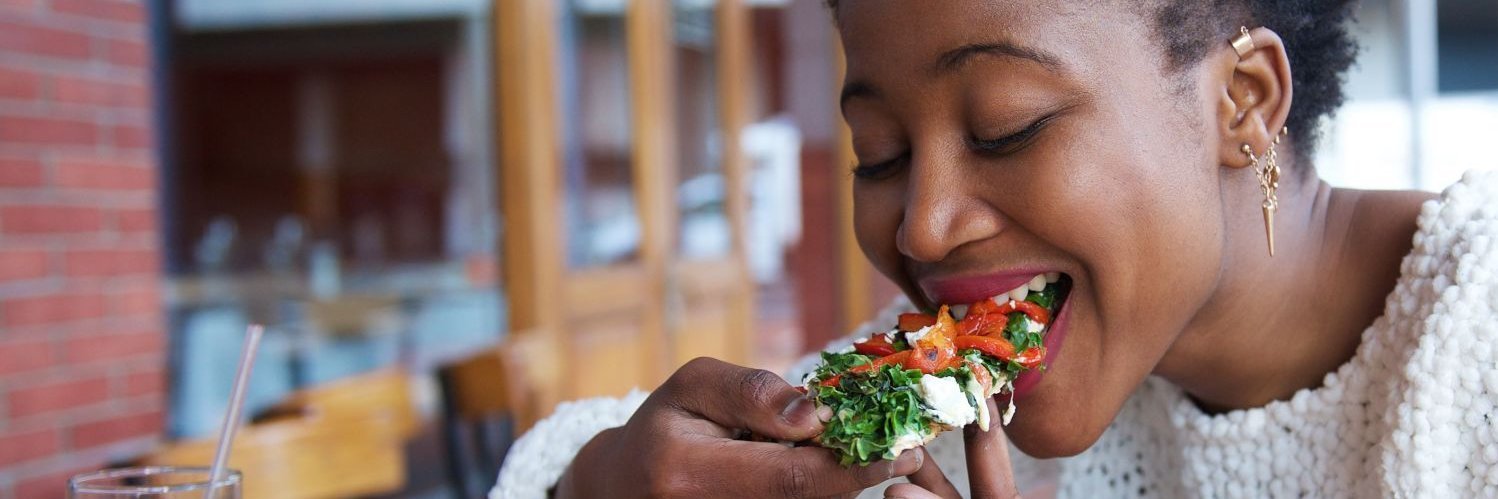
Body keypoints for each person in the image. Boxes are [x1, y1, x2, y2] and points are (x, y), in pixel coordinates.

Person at [494, 1, 1498, 497]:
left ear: (1242, 102)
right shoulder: (942, 379)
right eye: (877, 153)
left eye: (1005, 126)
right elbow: (663, 454)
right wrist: (590, 481)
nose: (921, 227)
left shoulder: (1476, 346)